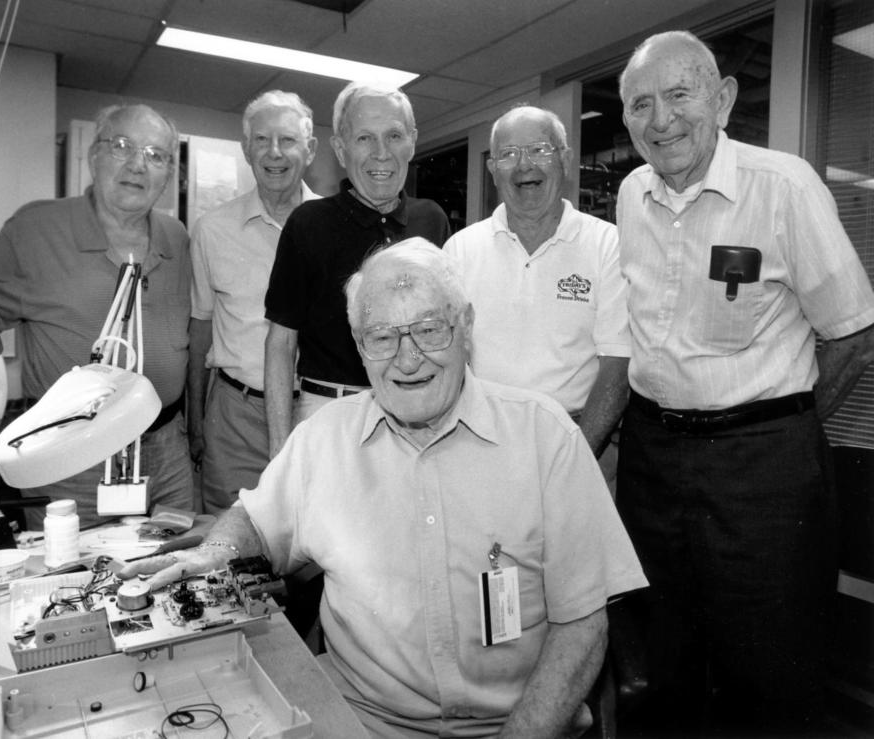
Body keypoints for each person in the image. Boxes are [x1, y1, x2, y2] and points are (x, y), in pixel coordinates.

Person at [120, 238, 646, 738]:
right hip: (359, 722)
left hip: (520, 725)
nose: (408, 357)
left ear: (466, 326)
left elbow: (582, 627)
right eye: (383, 337)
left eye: (429, 329)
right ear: (359, 347)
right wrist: (217, 552)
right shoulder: (322, 440)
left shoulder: (545, 436)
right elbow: (255, 522)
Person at [614, 30, 874, 737]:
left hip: (764, 468)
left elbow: (852, 332)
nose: (661, 119)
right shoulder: (632, 194)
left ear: (722, 98)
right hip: (652, 458)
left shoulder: (783, 187)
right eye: (641, 105)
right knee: (659, 663)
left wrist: (784, 427)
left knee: (771, 671)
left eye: (679, 94)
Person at [0, 104, 194, 529]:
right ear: (94, 154)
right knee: (73, 578)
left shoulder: (176, 237)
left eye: (155, 154)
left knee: (177, 572)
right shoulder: (36, 229)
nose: (137, 165)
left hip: (166, 451)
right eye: (123, 146)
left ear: (169, 174)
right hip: (72, 456)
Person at [263, 80, 450, 459]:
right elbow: (280, 345)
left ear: (412, 141)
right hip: (328, 417)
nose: (382, 154)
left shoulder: (431, 221)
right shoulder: (307, 224)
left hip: (419, 416)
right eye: (365, 138)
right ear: (340, 148)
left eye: (394, 135)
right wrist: (281, 454)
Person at [444, 105, 629, 483]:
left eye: (539, 150)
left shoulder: (607, 244)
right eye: (508, 154)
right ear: (493, 168)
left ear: (564, 159)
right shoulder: (459, 251)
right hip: (481, 444)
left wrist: (575, 461)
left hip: (581, 442)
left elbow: (617, 367)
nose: (524, 165)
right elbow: (446, 359)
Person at [188, 91, 319, 514]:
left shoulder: (334, 228)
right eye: (261, 140)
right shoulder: (212, 230)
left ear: (310, 149)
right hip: (235, 418)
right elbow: (200, 328)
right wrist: (195, 420)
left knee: (313, 543)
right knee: (228, 546)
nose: (274, 153)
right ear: (246, 149)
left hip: (314, 414)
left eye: (288, 140)